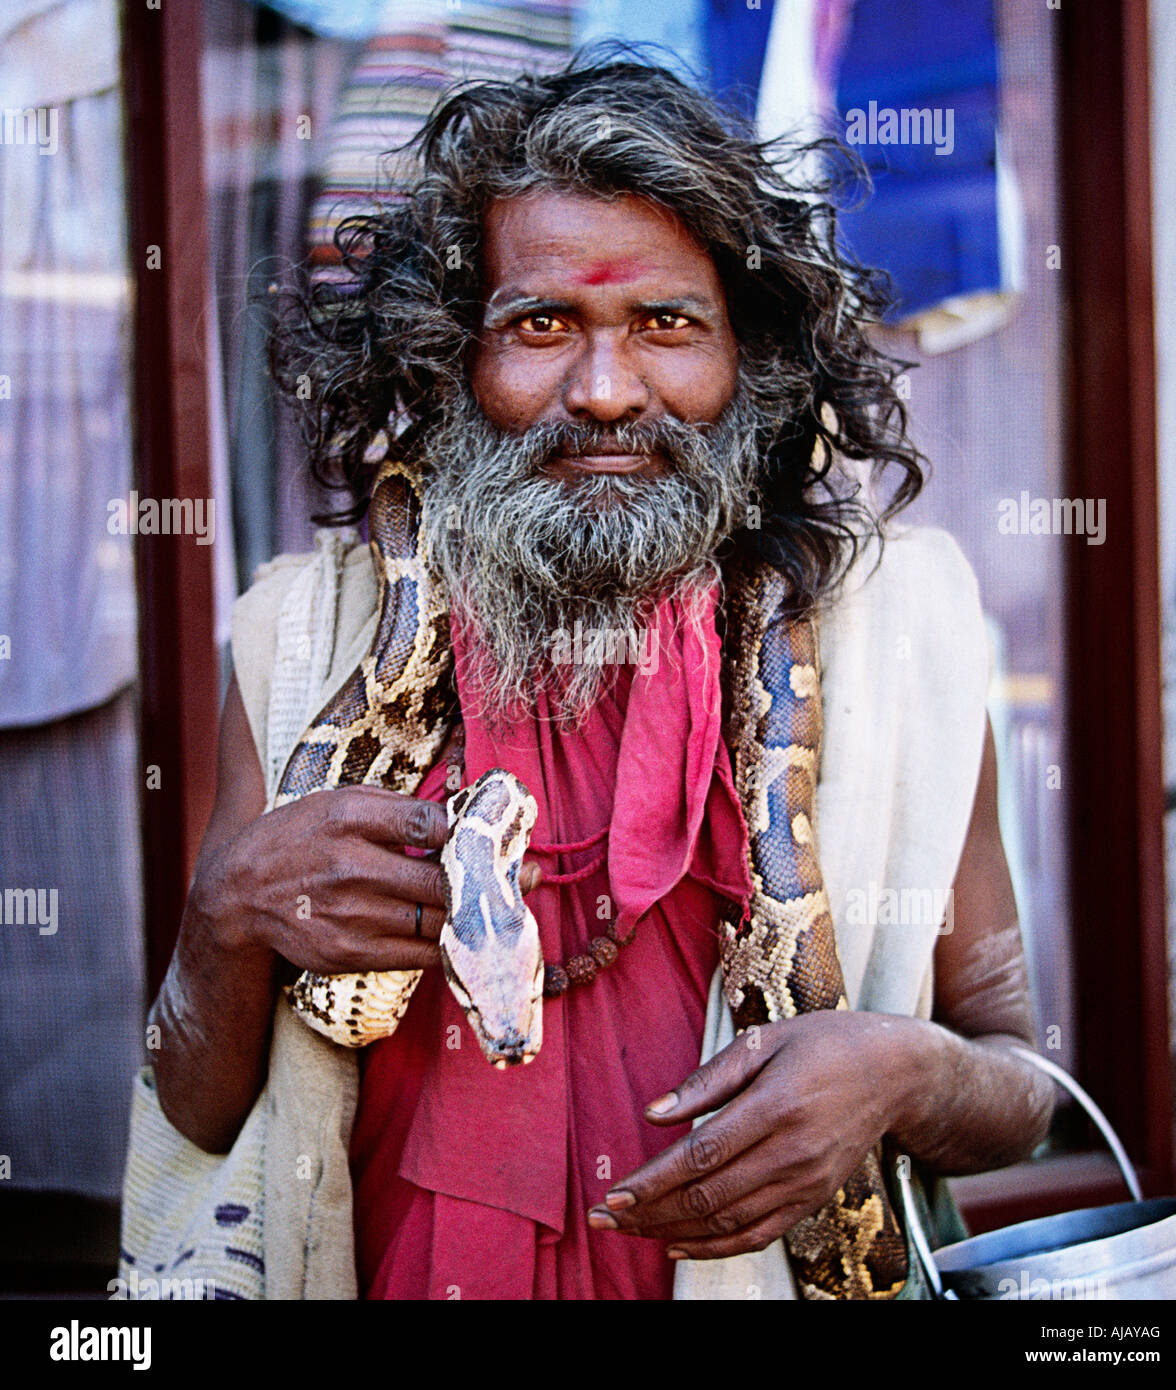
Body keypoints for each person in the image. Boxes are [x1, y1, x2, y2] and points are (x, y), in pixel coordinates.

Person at [140, 55, 1055, 1300]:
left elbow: (1019, 1087)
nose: (608, 390)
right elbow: (197, 1116)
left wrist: (906, 1072)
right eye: (540, 325)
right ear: (449, 358)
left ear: (754, 359)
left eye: (667, 324)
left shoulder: (901, 632)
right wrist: (220, 924)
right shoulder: (301, 637)